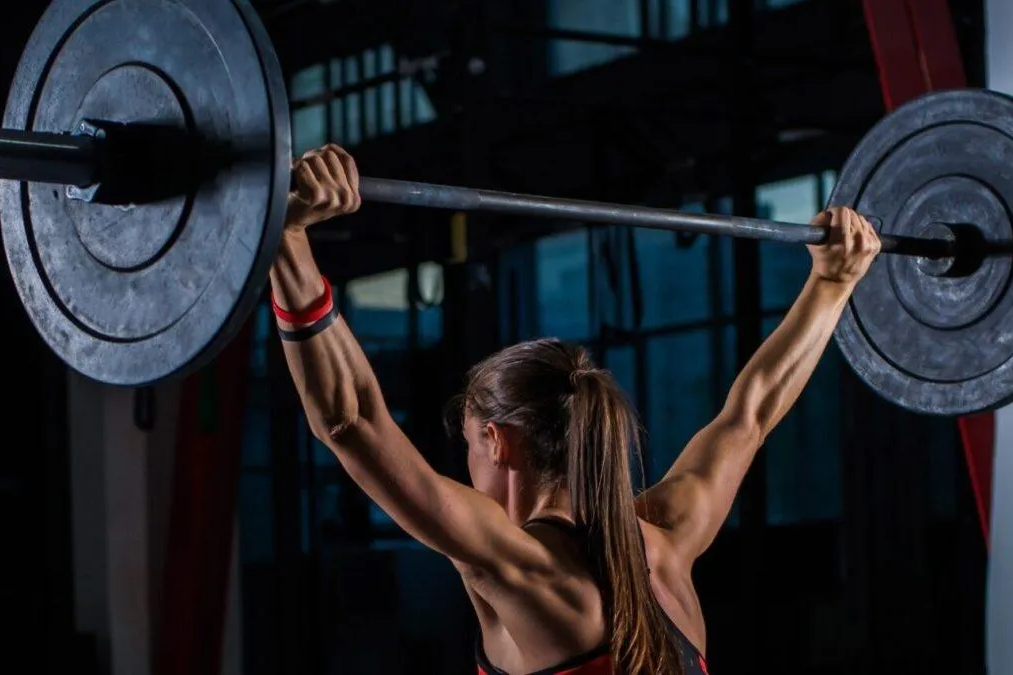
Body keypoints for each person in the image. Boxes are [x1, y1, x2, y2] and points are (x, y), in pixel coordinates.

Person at [268, 144, 881, 675]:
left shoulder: (520, 569)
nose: (467, 468)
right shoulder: (669, 538)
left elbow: (352, 420)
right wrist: (833, 284)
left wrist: (286, 241)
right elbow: (748, 415)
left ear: (497, 439)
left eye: (467, 446)